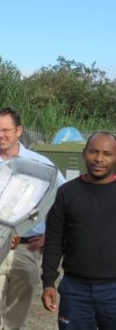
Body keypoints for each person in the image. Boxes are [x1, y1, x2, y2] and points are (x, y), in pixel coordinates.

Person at [0, 106, 65, 330]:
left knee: (16, 320)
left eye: (6, 130)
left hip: (26, 251)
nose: (0, 135)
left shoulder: (42, 165)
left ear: (18, 131)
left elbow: (63, 202)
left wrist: (50, 236)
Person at [42, 132, 116, 329]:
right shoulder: (66, 193)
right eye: (93, 152)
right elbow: (54, 241)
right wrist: (48, 281)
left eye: (107, 154)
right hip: (75, 291)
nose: (99, 159)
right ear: (84, 154)